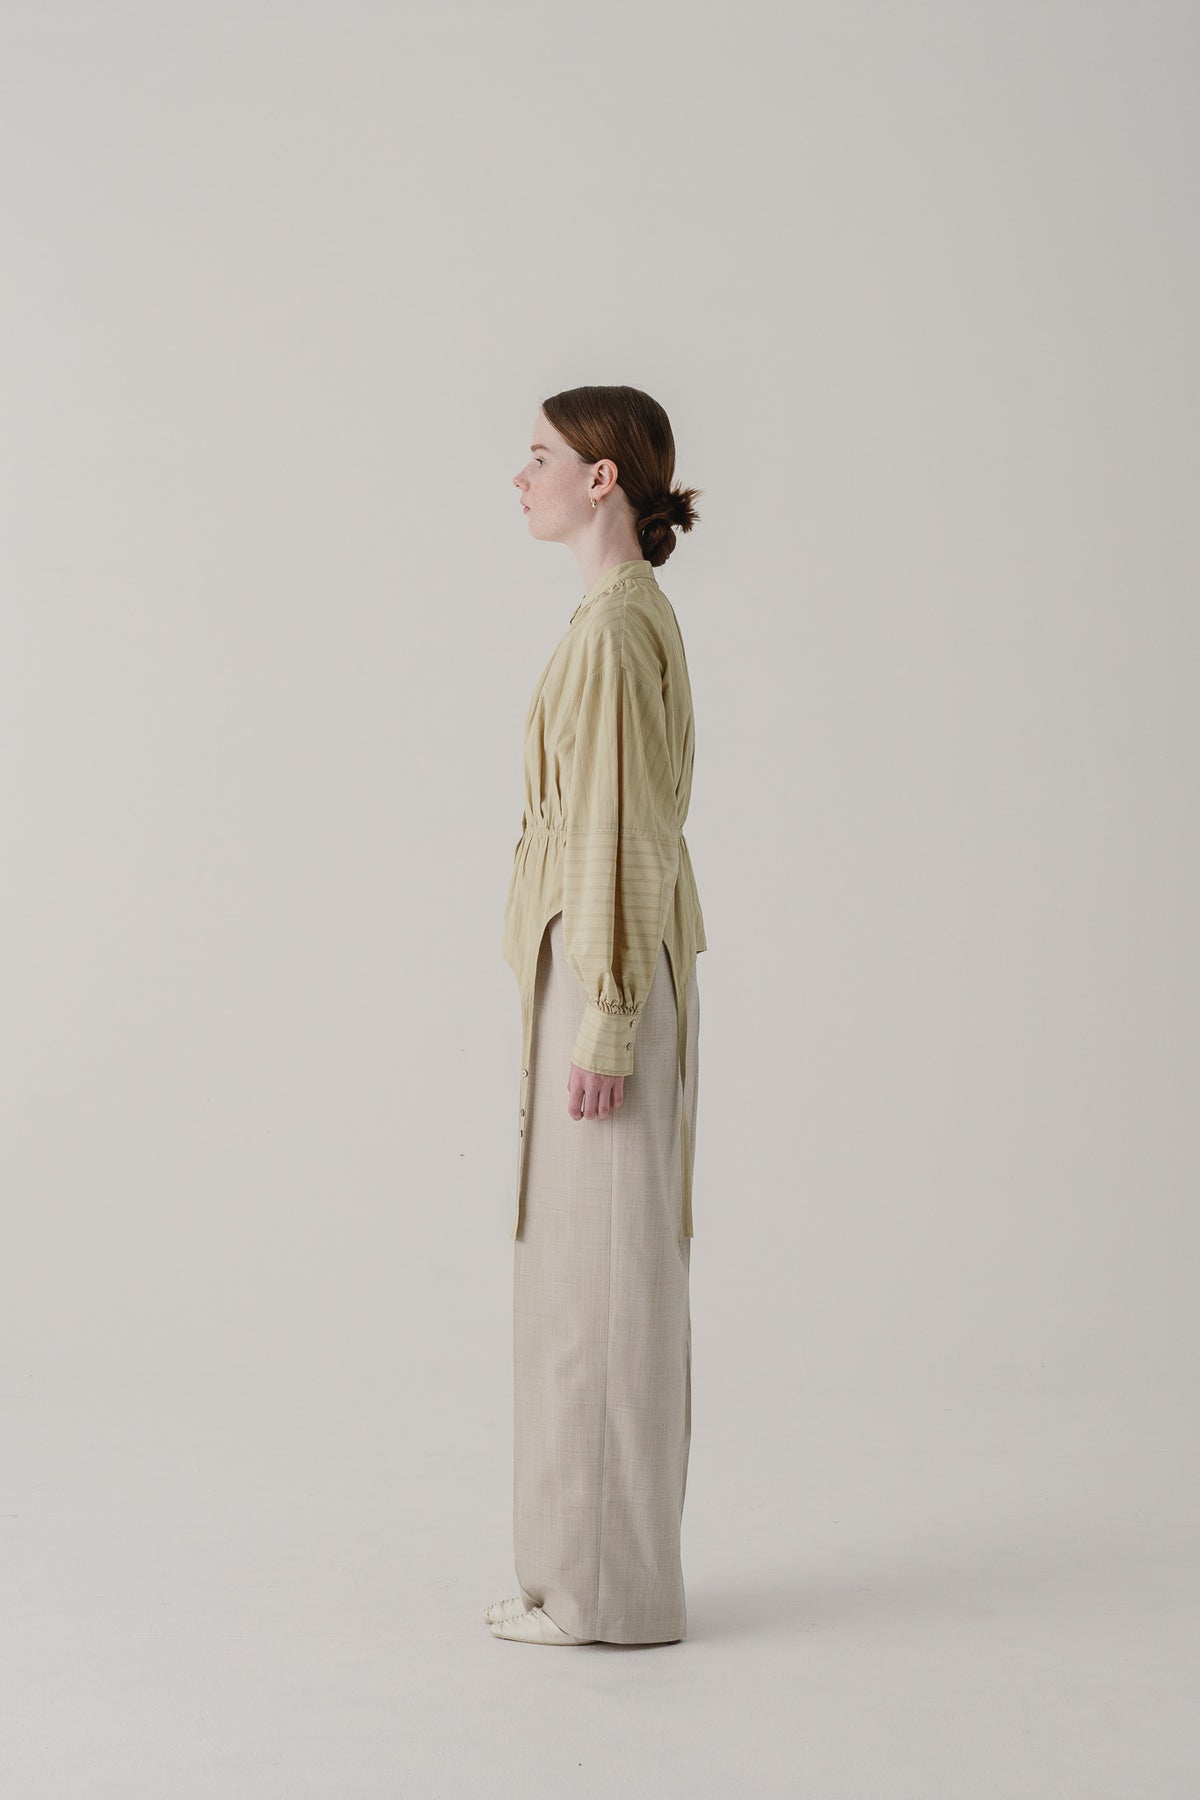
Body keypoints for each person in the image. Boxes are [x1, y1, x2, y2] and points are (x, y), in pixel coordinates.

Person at [486, 385, 708, 1647]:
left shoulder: (618, 630)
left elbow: (620, 828)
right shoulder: (615, 617)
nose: (520, 479)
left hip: (605, 965)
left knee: (605, 1286)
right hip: (596, 959)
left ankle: (604, 1599)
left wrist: (609, 1018)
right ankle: (579, 1579)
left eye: (540, 457)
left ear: (601, 479)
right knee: (584, 1277)